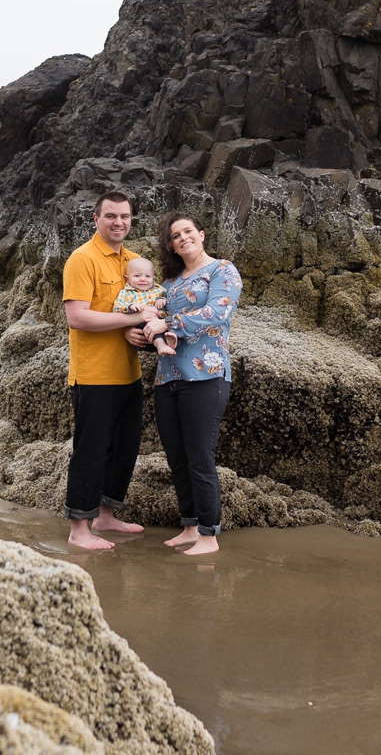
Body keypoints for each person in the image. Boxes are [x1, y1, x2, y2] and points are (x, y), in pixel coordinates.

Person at [132, 211, 243, 557]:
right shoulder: (169, 284)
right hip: (168, 378)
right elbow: (149, 315)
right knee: (178, 458)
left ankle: (209, 535)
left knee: (199, 457)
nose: (183, 238)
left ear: (202, 234)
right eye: (175, 236)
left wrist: (168, 325)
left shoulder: (222, 270)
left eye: (187, 231)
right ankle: (189, 526)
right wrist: (140, 332)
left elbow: (218, 311)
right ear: (172, 246)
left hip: (207, 376)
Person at [59, 191, 152, 551]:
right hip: (94, 375)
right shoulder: (82, 259)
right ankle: (79, 529)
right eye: (111, 216)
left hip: (128, 373)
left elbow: (140, 308)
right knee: (91, 450)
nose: (119, 223)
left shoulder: (132, 262)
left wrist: (136, 330)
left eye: (125, 216)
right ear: (95, 219)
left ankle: (106, 515)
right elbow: (77, 316)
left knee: (124, 448)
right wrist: (129, 320)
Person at [112, 255, 175, 359]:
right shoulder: (126, 293)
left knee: (167, 326)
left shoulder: (159, 290)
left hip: (160, 322)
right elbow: (117, 307)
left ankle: (170, 340)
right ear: (127, 279)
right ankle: (161, 345)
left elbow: (167, 298)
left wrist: (162, 300)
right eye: (137, 276)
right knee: (149, 325)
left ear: (153, 278)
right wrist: (130, 306)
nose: (143, 279)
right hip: (142, 326)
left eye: (147, 276)